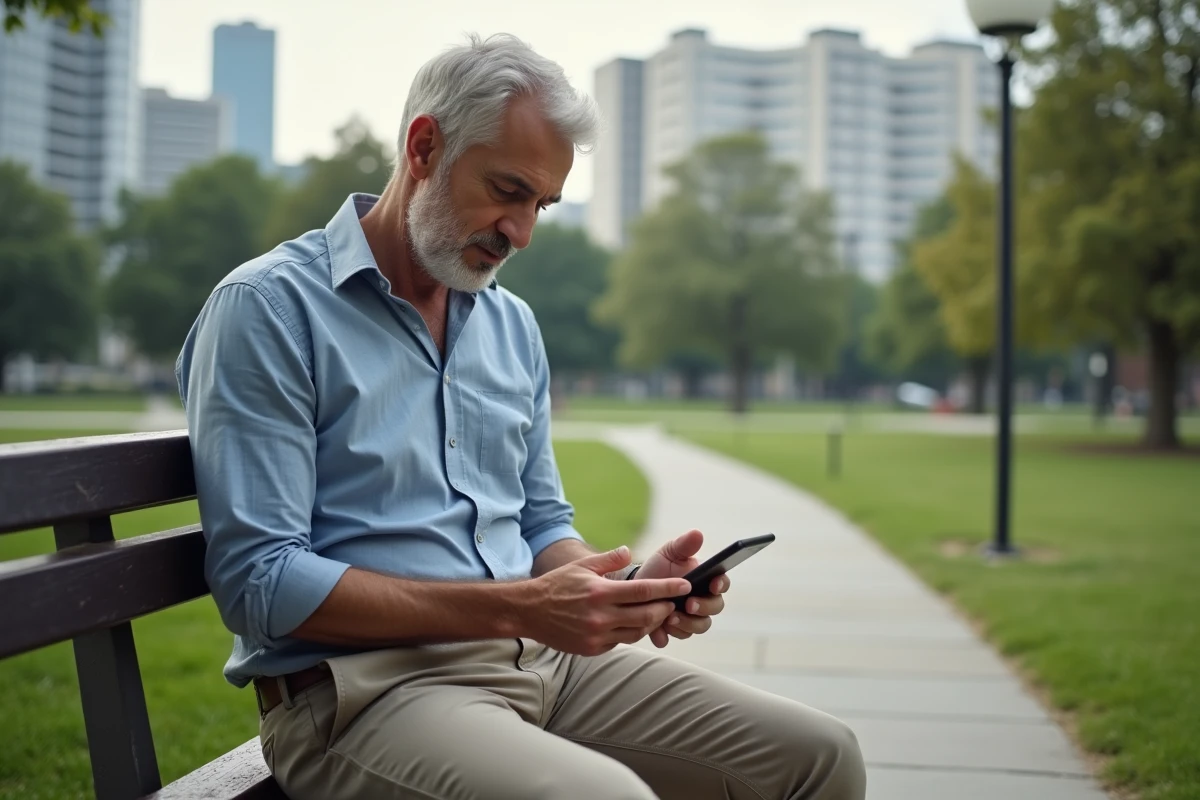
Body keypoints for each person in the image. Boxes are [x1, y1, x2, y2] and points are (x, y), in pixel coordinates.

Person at [176, 33, 866, 800]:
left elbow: (540, 524)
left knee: (821, 756)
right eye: (508, 191)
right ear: (424, 147)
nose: (523, 232)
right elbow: (260, 585)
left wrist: (625, 589)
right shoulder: (269, 310)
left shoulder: (512, 326)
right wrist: (522, 607)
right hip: (365, 695)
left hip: (543, 664)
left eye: (541, 204)